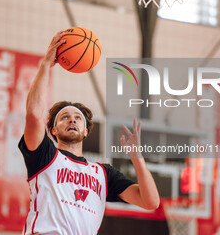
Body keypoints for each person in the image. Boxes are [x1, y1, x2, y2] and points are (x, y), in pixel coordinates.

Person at [18, 31, 160, 235]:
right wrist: (45, 65)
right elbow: (33, 113)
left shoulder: (103, 174)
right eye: (64, 117)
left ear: (85, 131)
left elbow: (150, 202)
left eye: (77, 118)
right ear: (54, 130)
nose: (72, 119)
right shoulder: (45, 156)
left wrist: (137, 157)